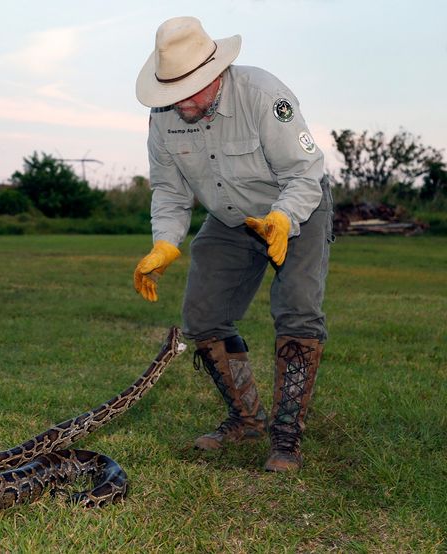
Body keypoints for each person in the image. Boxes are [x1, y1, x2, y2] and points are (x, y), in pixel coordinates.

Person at [132, 16, 333, 472]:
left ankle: (286, 437)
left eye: (192, 90)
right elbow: (168, 190)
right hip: (229, 219)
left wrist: (281, 219)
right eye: (172, 93)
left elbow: (304, 173)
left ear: (216, 74)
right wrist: (164, 243)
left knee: (297, 309)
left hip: (294, 206)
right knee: (202, 317)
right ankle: (246, 419)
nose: (181, 103)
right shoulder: (164, 117)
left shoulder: (264, 96)